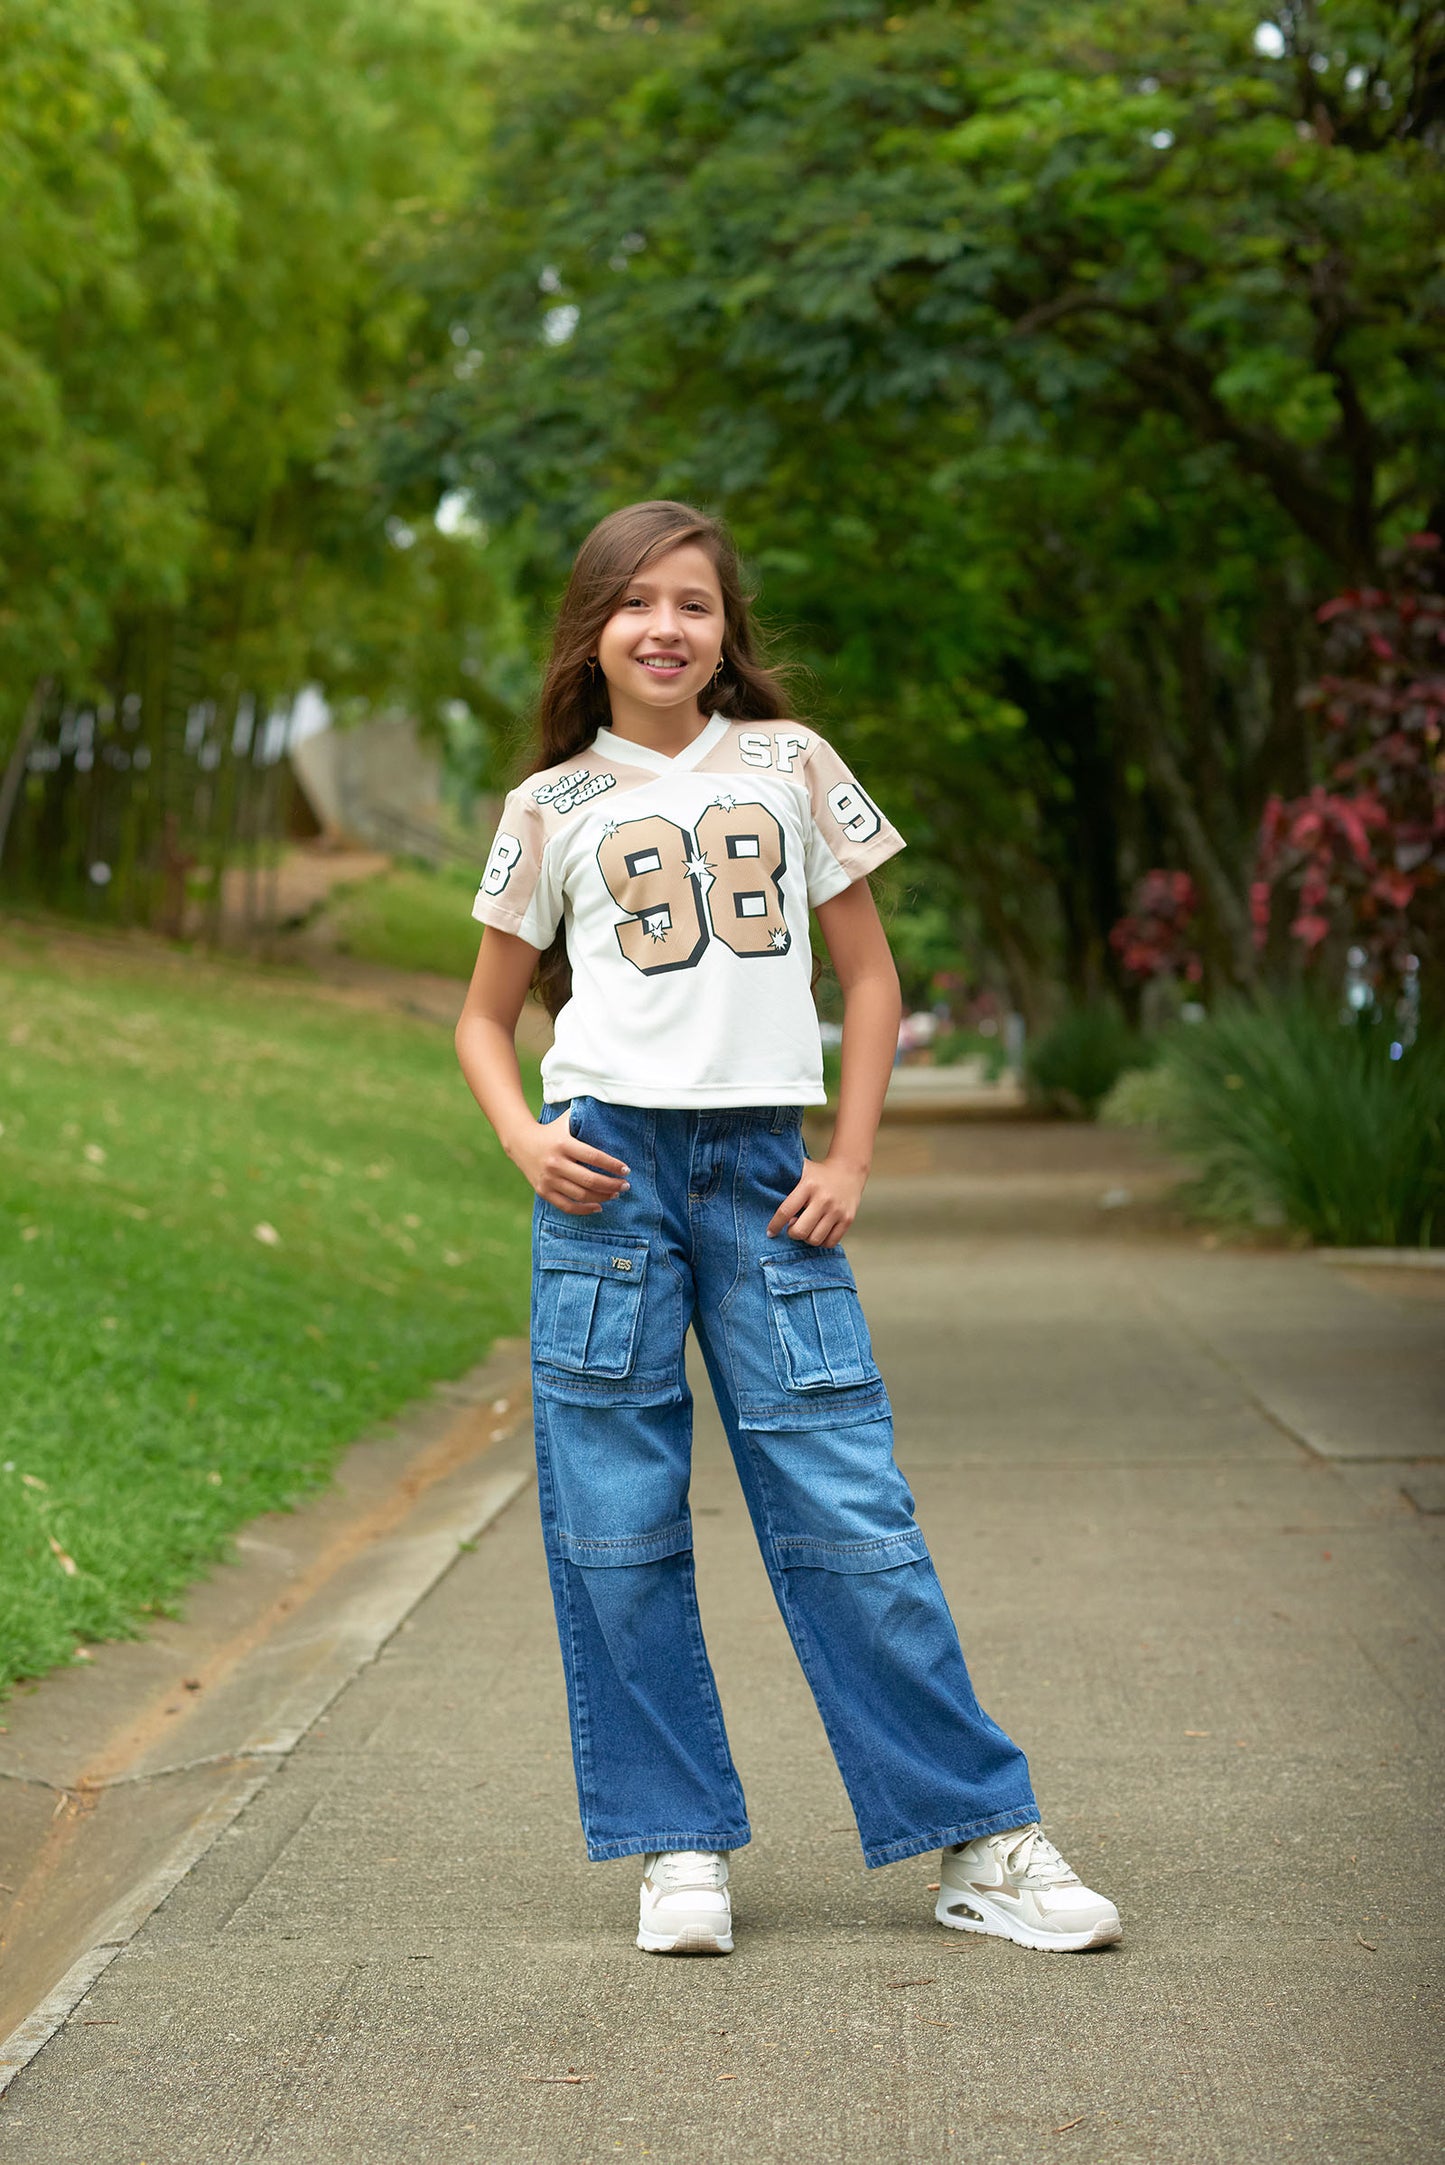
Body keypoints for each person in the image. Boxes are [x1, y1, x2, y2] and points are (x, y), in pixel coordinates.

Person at [454, 499, 1120, 1958]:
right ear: (593, 629)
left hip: (767, 1175)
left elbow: (869, 980)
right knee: (615, 1529)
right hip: (604, 1183)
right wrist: (523, 1137)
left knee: (850, 1512)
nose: (667, 628)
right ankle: (675, 1843)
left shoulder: (792, 765)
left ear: (725, 629)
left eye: (693, 602)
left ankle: (981, 1836)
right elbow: (483, 1017)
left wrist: (854, 1154)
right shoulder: (549, 805)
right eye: (636, 603)